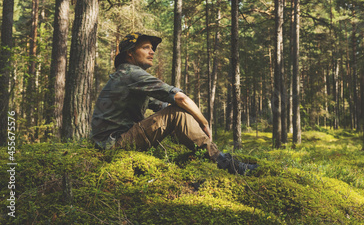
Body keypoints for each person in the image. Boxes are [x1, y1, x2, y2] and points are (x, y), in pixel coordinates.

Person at [91, 32, 257, 175]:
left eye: (152, 48)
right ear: (130, 53)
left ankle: (211, 155)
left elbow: (165, 106)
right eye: (146, 47)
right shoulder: (131, 73)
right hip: (113, 145)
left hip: (113, 142)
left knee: (178, 111)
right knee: (178, 112)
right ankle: (224, 162)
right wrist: (204, 123)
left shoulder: (128, 76)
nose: (152, 52)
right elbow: (180, 98)